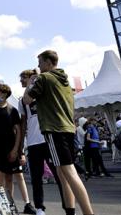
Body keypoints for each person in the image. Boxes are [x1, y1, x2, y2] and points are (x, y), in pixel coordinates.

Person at [23, 50, 95, 215]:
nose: (38, 67)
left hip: (54, 129)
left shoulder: (44, 78)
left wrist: (30, 84)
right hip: (68, 128)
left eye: (40, 62)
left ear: (48, 62)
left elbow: (27, 100)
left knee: (68, 172)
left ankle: (88, 212)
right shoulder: (64, 82)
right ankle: (70, 211)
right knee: (63, 173)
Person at [19, 69, 64, 215]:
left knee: (59, 175)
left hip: (48, 139)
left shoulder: (43, 91)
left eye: (23, 78)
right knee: (36, 177)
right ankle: (39, 208)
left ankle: (68, 206)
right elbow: (24, 123)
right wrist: (21, 145)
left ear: (31, 78)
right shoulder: (23, 100)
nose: (21, 81)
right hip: (33, 143)